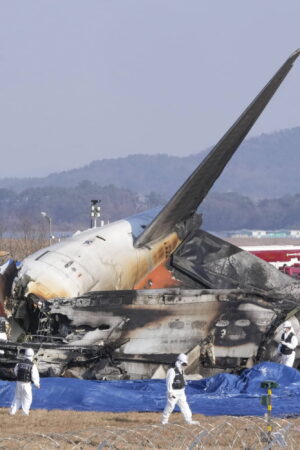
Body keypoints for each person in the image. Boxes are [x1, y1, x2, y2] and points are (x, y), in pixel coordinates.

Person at [162, 353, 199, 425]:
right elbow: (169, 382)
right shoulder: (172, 370)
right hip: (174, 392)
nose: (184, 366)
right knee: (170, 406)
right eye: (183, 364)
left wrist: (183, 382)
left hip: (181, 392)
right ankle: (164, 421)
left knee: (185, 406)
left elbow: (181, 378)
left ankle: (188, 420)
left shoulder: (181, 370)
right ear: (179, 362)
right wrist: (170, 392)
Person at [10, 348, 40, 416]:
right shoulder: (32, 365)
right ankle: (25, 412)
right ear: (32, 355)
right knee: (27, 398)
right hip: (27, 384)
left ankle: (12, 411)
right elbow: (34, 376)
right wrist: (37, 384)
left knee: (17, 397)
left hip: (18, 383)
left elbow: (15, 372)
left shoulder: (19, 364)